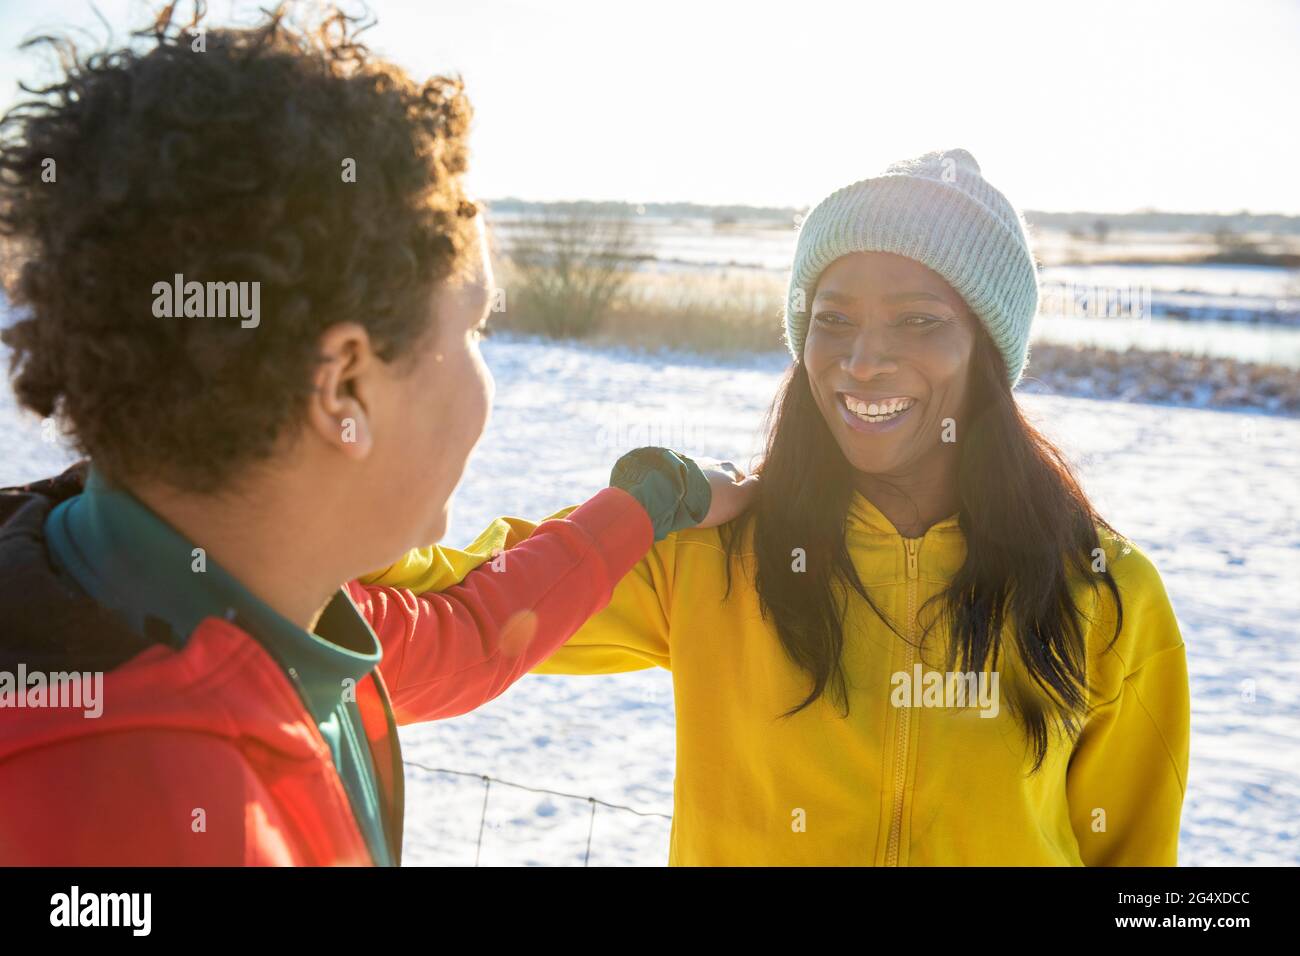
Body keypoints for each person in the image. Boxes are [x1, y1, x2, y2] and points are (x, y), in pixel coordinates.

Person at [0, 5, 754, 865]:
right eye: (475, 329)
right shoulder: (139, 814)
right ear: (345, 388)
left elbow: (470, 639)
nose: (482, 375)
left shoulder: (228, 594)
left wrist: (655, 500)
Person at [378, 149, 1191, 866]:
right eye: (832, 320)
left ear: (988, 347)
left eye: (918, 321)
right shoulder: (709, 553)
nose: (863, 361)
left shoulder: (1105, 593)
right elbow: (411, 616)